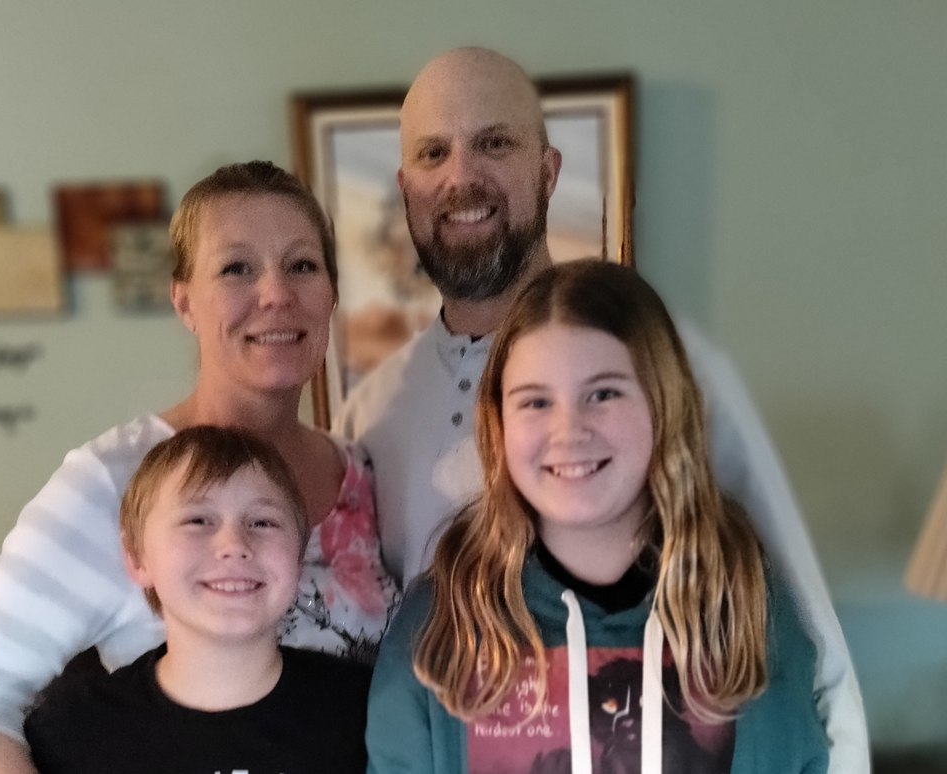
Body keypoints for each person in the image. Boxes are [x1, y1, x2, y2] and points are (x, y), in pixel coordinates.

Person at [335, 47, 868, 771]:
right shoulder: (370, 413)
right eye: (435, 152)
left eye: (494, 142)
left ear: (548, 171)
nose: (461, 176)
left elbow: (808, 654)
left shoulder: (684, 371)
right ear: (407, 188)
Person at [0, 161, 399, 774]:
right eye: (236, 268)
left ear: (331, 293)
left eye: (302, 265)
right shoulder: (112, 482)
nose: (276, 294)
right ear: (184, 301)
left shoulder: (365, 473)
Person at [366, 260, 829, 774]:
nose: (569, 430)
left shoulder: (743, 602)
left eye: (604, 393)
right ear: (499, 425)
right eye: (536, 402)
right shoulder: (439, 623)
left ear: (663, 403)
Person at [25, 426, 371, 774]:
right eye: (198, 520)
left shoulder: (367, 709)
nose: (234, 545)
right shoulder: (72, 730)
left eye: (263, 522)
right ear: (138, 559)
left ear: (298, 558)